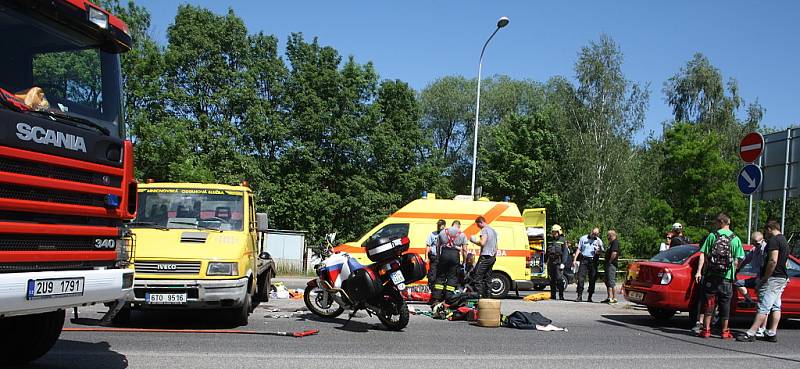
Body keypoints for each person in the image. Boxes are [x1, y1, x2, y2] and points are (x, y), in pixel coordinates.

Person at [737, 221, 791, 343]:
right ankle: (771, 332)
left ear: (769, 229)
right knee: (776, 306)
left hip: (773, 277)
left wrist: (765, 278)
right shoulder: (784, 240)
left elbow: (772, 260)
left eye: (766, 231)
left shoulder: (774, 241)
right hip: (782, 277)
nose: (766, 234)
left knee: (764, 306)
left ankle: (751, 333)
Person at [694, 213, 744, 339]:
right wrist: (734, 269)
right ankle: (724, 332)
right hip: (727, 277)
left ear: (720, 222)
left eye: (716, 223)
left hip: (711, 275)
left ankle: (706, 330)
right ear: (728, 222)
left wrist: (699, 271)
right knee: (725, 304)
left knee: (709, 303)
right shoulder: (735, 239)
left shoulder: (712, 236)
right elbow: (739, 259)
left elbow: (703, 254)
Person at [431, 221, 466, 303]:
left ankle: (436, 298)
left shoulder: (443, 232)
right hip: (455, 255)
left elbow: (437, 246)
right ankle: (449, 298)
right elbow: (464, 250)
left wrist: (439, 258)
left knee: (440, 276)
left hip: (444, 253)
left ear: (452, 224)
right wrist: (464, 261)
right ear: (459, 226)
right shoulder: (462, 234)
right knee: (452, 277)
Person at [736, 231, 767, 309]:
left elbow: (766, 265)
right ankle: (749, 300)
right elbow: (746, 260)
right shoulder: (754, 250)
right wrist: (738, 269)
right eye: (753, 243)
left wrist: (760, 280)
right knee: (737, 283)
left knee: (763, 303)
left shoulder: (766, 249)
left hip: (764, 278)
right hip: (757, 277)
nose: (755, 245)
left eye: (757, 243)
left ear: (762, 240)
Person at [469, 216, 498, 298]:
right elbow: (496, 247)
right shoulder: (493, 231)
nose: (478, 227)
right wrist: (493, 256)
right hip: (492, 257)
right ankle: (487, 298)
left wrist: (473, 240)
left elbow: (482, 243)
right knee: (487, 278)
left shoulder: (484, 230)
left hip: (485, 256)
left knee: (477, 276)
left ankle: (478, 297)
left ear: (481, 222)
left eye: (478, 225)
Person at [573, 227, 604, 302]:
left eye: (596, 234)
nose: (594, 235)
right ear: (591, 232)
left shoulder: (599, 241)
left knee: (592, 279)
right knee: (580, 278)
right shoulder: (583, 238)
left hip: (593, 260)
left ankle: (590, 297)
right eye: (593, 233)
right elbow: (579, 249)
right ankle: (579, 296)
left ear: (598, 234)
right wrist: (574, 260)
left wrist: (598, 252)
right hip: (584, 260)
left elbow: (602, 251)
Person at [546, 225, 569, 300]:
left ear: (559, 232)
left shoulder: (563, 240)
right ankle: (553, 295)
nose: (554, 234)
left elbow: (565, 252)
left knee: (559, 279)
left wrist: (563, 263)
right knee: (552, 280)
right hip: (551, 262)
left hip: (558, 262)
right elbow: (547, 252)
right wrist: (545, 261)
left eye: (555, 232)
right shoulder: (550, 240)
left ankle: (561, 295)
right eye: (553, 232)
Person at [426, 219, 447, 292]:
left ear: (444, 226)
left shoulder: (447, 234)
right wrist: (426, 258)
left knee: (442, 276)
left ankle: (440, 293)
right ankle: (432, 291)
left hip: (443, 258)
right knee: (432, 275)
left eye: (440, 225)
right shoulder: (432, 234)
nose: (438, 226)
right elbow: (428, 246)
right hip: (434, 257)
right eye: (438, 225)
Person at [602, 230, 620, 304]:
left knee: (611, 281)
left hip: (611, 264)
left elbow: (614, 253)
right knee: (607, 281)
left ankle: (614, 298)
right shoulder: (611, 243)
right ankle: (609, 297)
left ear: (612, 235)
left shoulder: (615, 242)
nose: (607, 237)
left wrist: (610, 261)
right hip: (608, 264)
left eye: (608, 235)